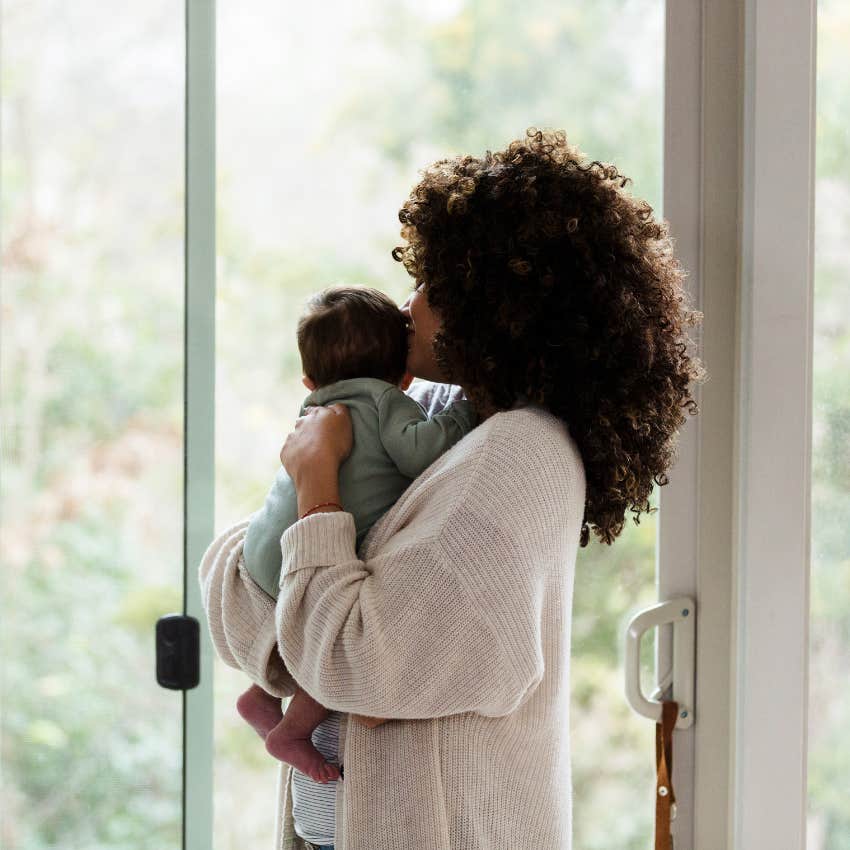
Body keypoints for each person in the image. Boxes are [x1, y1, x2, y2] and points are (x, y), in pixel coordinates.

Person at [199, 128, 706, 850]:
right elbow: (237, 591)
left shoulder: (520, 459)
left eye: (435, 284)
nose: (410, 303)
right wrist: (320, 644)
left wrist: (315, 488)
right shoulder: (434, 423)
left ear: (501, 305)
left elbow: (347, 658)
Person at [234, 284, 478, 786]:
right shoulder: (386, 399)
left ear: (308, 379)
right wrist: (467, 410)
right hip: (311, 551)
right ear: (404, 375)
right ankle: (292, 731)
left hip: (262, 549)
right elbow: (418, 452)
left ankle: (260, 696)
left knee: (299, 628)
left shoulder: (315, 408)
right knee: (330, 646)